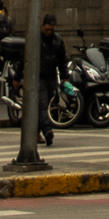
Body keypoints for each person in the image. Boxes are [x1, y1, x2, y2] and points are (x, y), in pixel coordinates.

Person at [37, 14, 68, 147]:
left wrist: (65, 76)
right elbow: (24, 58)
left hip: (51, 77)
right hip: (39, 77)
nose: (49, 32)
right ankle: (47, 130)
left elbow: (62, 60)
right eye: (47, 30)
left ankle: (35, 133)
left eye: (51, 30)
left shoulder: (57, 40)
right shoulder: (36, 39)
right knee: (42, 104)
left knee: (46, 105)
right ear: (42, 26)